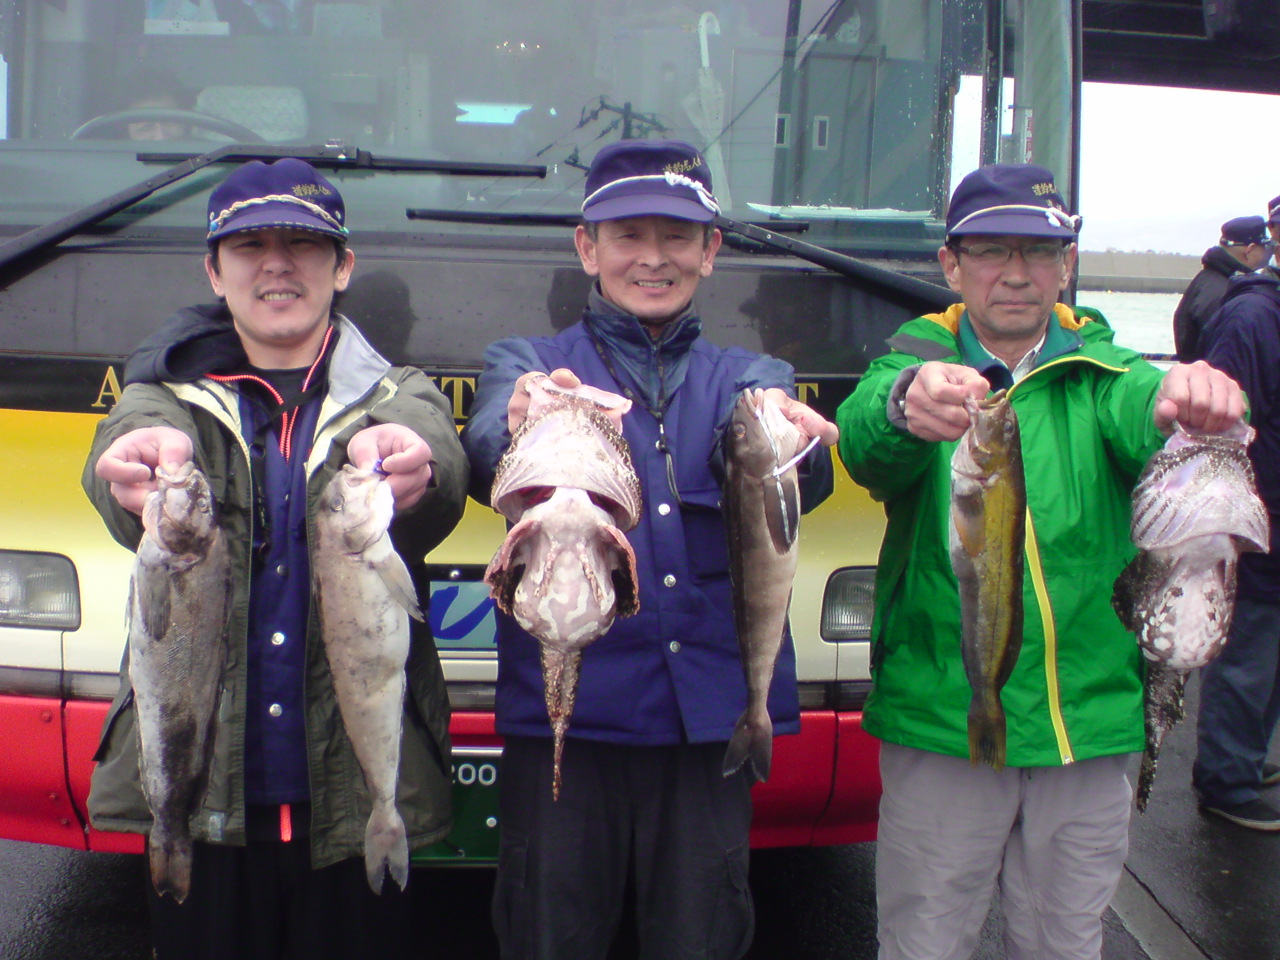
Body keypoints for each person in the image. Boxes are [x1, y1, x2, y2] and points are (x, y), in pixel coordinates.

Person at [835, 163, 1245, 960]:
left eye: (1039, 251)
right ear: (951, 265)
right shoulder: (911, 366)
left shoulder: (1107, 374)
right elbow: (863, 442)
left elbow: (1146, 408)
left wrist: (1192, 397)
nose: (1016, 272)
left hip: (1085, 727)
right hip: (941, 721)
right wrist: (903, 406)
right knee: (923, 943)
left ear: (1067, 265)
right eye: (991, 250)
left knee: (1065, 944)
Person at [460, 138, 838, 960]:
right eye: (628, 235)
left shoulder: (751, 376)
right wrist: (521, 422)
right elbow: (486, 446)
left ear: (711, 250)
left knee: (701, 938)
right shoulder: (528, 364)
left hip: (707, 727)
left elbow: (800, 485)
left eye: (676, 237)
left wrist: (795, 445)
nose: (653, 258)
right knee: (548, 935)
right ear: (587, 247)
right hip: (566, 732)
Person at [82, 157, 468, 959]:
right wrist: (131, 468)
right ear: (214, 272)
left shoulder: (398, 392)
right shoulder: (163, 396)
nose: (277, 265)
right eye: (250, 245)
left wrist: (419, 466)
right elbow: (123, 445)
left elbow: (439, 458)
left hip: (349, 805)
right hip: (207, 805)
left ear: (343, 267)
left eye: (304, 244)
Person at [1192, 261, 1280, 830]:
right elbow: (1218, 430)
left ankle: (1245, 755)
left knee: (1268, 655)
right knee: (1247, 652)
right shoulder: (1252, 317)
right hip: (1258, 522)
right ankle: (1226, 778)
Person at [1173, 215, 1271, 361]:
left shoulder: (1206, 279)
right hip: (1213, 372)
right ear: (1250, 250)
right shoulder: (1227, 292)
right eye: (1264, 247)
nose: (1267, 253)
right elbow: (1227, 352)